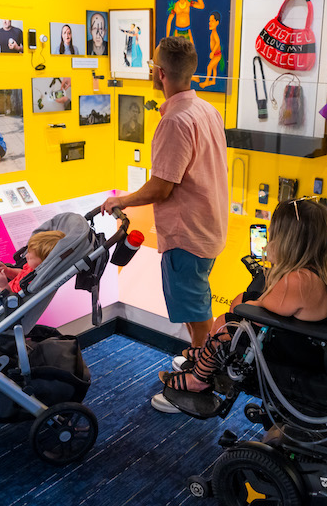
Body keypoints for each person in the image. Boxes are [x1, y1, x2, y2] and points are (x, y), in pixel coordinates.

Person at [100, 36, 227, 412]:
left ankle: (197, 387)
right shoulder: (206, 109)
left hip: (187, 234)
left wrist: (120, 199)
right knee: (195, 306)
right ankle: (198, 365)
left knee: (197, 314)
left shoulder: (175, 121)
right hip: (209, 227)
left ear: (158, 73)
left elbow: (162, 187)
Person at [158, 198, 327, 393]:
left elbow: (256, 310)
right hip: (308, 343)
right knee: (242, 300)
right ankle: (209, 351)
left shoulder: (298, 280)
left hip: (295, 352)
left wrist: (274, 264)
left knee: (226, 321)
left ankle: (199, 379)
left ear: (286, 239)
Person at [198, 12, 221, 89]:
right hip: (216, 55)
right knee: (214, 68)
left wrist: (213, 52)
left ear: (217, 22)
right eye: (209, 21)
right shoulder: (212, 33)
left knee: (209, 67)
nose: (210, 23)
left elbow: (218, 42)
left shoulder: (215, 34)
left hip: (217, 55)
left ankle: (207, 81)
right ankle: (213, 80)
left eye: (212, 21)